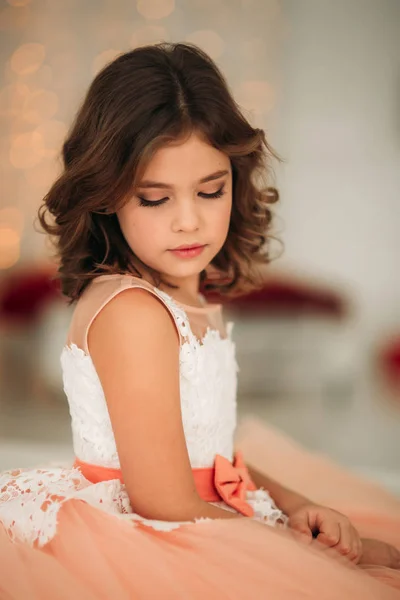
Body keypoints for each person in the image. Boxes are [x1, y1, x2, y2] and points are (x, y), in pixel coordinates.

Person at [0, 43, 399, 599]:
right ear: (108, 196)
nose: (189, 221)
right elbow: (163, 501)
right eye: (156, 199)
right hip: (154, 532)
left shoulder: (186, 293)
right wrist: (292, 544)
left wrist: (298, 504)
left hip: (203, 505)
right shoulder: (133, 312)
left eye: (211, 190)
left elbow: (211, 457)